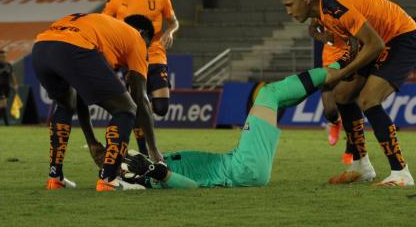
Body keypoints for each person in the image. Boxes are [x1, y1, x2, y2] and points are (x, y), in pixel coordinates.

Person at [277, 0, 416, 187]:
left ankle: (401, 172)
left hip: (401, 36)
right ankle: (360, 165)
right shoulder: (322, 11)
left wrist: (342, 71)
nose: (288, 11)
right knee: (342, 96)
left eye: (290, 4)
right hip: (378, 40)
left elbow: (375, 44)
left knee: (368, 99)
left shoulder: (336, 9)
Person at [121, 65, 339, 189]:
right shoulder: (158, 178)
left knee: (276, 100)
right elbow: (191, 188)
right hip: (242, 168)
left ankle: (328, 76)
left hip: (241, 164)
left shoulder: (157, 167)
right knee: (268, 93)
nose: (131, 160)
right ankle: (338, 67)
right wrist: (153, 171)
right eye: (128, 165)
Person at [32, 13, 162, 191]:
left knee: (65, 105)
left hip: (41, 48)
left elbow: (78, 95)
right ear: (143, 34)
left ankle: (55, 177)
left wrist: (92, 142)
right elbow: (140, 99)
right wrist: (154, 151)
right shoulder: (136, 38)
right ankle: (108, 179)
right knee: (126, 108)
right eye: (148, 45)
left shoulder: (105, 29)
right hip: (73, 47)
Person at [103, 0, 180, 156]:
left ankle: (144, 135)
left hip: (156, 55)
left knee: (161, 108)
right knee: (137, 104)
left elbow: (173, 22)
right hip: (130, 59)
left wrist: (169, 32)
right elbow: (104, 26)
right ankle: (145, 151)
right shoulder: (116, 2)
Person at [310, 0, 361, 164]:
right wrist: (323, 37)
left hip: (354, 57)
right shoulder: (329, 0)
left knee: (349, 102)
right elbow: (312, 28)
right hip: (331, 58)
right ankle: (334, 121)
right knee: (330, 108)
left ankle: (351, 147)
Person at [0, 50, 18, 126]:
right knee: (3, 103)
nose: (3, 58)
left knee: (3, 106)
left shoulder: (9, 65)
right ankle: (6, 123)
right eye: (1, 56)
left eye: (4, 56)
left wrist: (15, 84)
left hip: (7, 87)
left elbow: (12, 75)